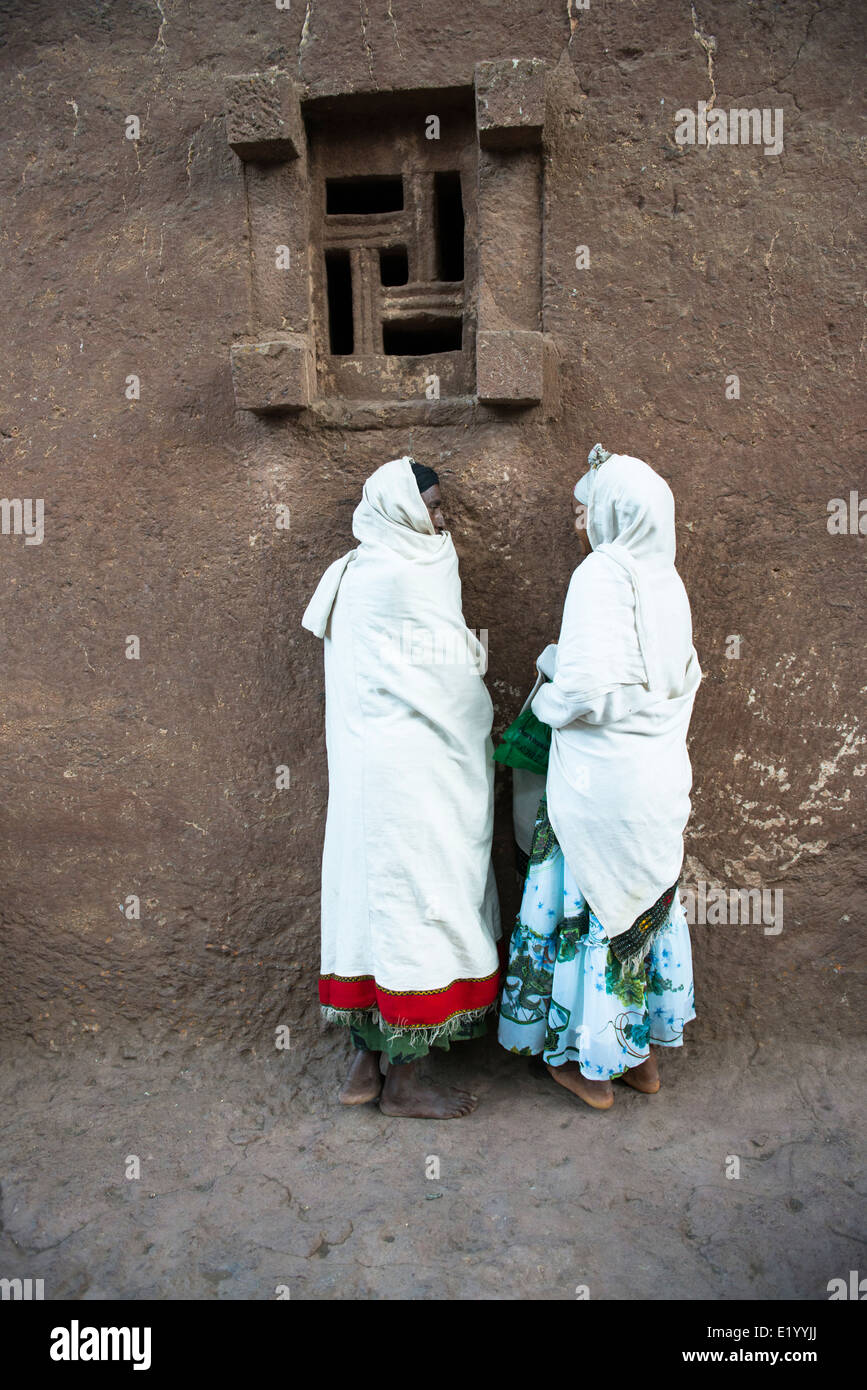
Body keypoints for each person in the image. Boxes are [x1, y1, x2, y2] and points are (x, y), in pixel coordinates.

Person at [498, 445, 702, 1110]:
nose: (576, 518)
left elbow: (583, 689)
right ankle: (637, 1056)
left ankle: (588, 1066)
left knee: (584, 910)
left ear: (616, 510)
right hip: (655, 781)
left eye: (584, 505)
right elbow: (676, 679)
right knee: (640, 904)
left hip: (597, 786)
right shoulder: (666, 581)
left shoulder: (600, 574)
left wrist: (547, 697)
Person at [302, 455, 501, 1119]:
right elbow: (448, 676)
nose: (442, 521)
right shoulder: (410, 572)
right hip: (415, 776)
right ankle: (407, 1082)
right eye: (434, 508)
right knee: (420, 903)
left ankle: (363, 1063)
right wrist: (475, 679)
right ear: (401, 510)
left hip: (364, 776)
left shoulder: (353, 572)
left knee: (367, 904)